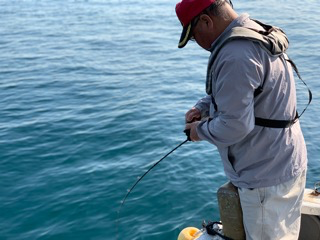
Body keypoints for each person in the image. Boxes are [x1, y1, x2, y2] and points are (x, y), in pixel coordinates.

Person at [175, 0, 308, 239]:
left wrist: (198, 131)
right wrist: (203, 107)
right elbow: (251, 92)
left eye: (194, 36)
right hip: (285, 160)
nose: (198, 44)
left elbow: (235, 126)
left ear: (206, 21)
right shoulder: (254, 31)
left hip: (264, 175)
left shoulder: (234, 54)